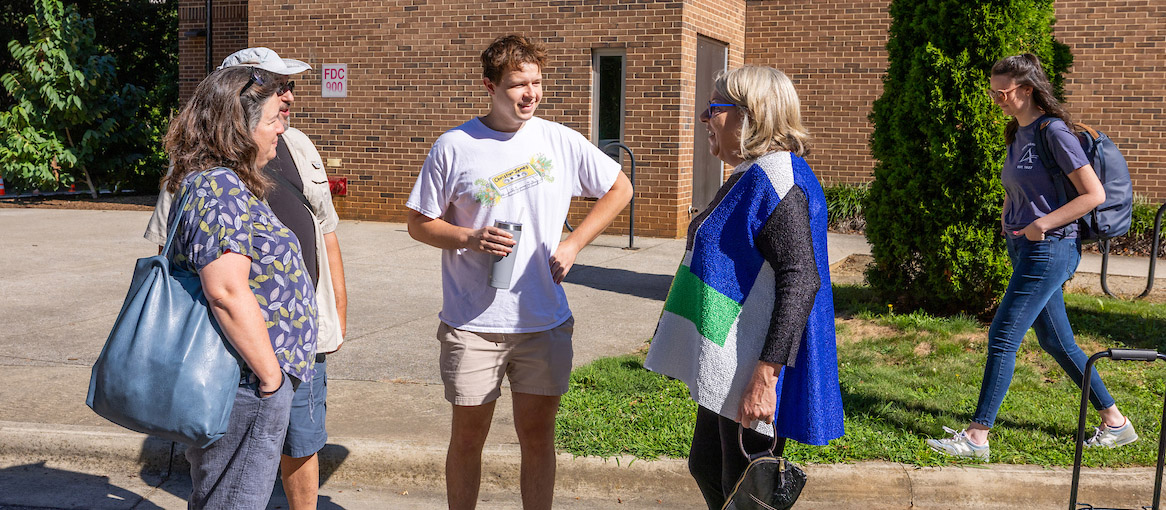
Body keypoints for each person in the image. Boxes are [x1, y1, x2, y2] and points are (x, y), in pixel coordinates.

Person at [405, 34, 632, 510]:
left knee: (538, 437)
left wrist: (573, 243)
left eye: (537, 83)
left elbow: (620, 188)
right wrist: (470, 237)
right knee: (468, 439)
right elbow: (419, 223)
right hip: (473, 324)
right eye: (517, 85)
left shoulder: (559, 140)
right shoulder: (455, 146)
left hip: (542, 321)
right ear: (490, 86)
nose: (530, 94)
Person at [145, 48, 347, 510]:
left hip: (259, 372)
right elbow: (225, 291)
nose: (282, 125)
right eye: (274, 116)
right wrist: (271, 379)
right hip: (246, 377)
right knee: (235, 497)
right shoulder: (219, 188)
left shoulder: (231, 180)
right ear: (240, 123)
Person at [644, 65, 844, 509]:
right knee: (708, 466)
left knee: (745, 488)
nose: (704, 118)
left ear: (750, 115)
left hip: (752, 362)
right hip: (729, 357)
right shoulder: (754, 174)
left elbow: (801, 279)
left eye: (714, 108)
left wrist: (766, 378)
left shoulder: (777, 180)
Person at [926, 54, 1136, 461]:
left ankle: (977, 437)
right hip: (1027, 246)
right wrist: (1011, 220)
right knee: (1056, 341)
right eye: (993, 92)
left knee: (1003, 335)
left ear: (1027, 89)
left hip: (1050, 246)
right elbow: (1018, 186)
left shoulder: (1053, 132)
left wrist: (1042, 224)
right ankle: (1116, 422)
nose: (996, 99)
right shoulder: (1017, 132)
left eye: (1003, 92)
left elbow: (1093, 194)